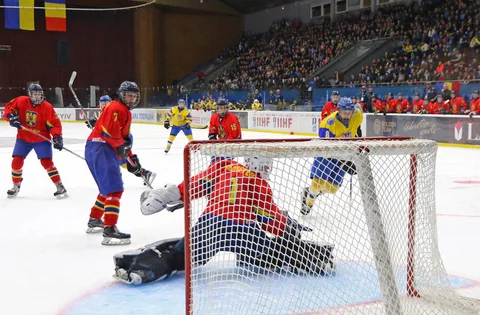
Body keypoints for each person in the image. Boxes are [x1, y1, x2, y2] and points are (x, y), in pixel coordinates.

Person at [114, 157, 335, 284]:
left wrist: (166, 195)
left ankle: (141, 267)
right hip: (244, 232)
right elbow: (269, 220)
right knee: (270, 253)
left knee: (181, 256)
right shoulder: (261, 185)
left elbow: (193, 185)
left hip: (210, 225)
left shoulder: (224, 167)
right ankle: (314, 257)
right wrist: (288, 227)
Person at [85, 81, 143, 245]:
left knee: (107, 189)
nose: (131, 99)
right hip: (101, 148)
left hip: (102, 148)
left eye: (133, 96)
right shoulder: (116, 107)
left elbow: (121, 139)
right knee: (114, 190)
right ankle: (109, 229)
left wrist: (131, 158)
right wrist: (126, 155)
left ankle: (95, 219)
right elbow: (110, 133)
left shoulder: (124, 110)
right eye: (128, 95)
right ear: (121, 94)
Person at [3, 83, 67, 199]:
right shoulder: (21, 101)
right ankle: (16, 186)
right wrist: (11, 117)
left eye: (39, 94)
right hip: (23, 137)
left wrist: (57, 137)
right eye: (34, 94)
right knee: (16, 162)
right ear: (30, 95)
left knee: (47, 163)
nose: (37, 97)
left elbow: (55, 124)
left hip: (41, 138)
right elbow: (9, 108)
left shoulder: (47, 107)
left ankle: (59, 185)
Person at [301, 97, 362, 216]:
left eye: (349, 113)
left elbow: (357, 128)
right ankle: (308, 203)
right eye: (344, 113)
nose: (347, 116)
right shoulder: (328, 124)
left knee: (333, 189)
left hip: (343, 155)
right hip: (326, 156)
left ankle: (309, 192)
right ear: (338, 110)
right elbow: (326, 148)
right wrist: (346, 162)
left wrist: (351, 154)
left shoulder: (357, 115)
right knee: (317, 183)